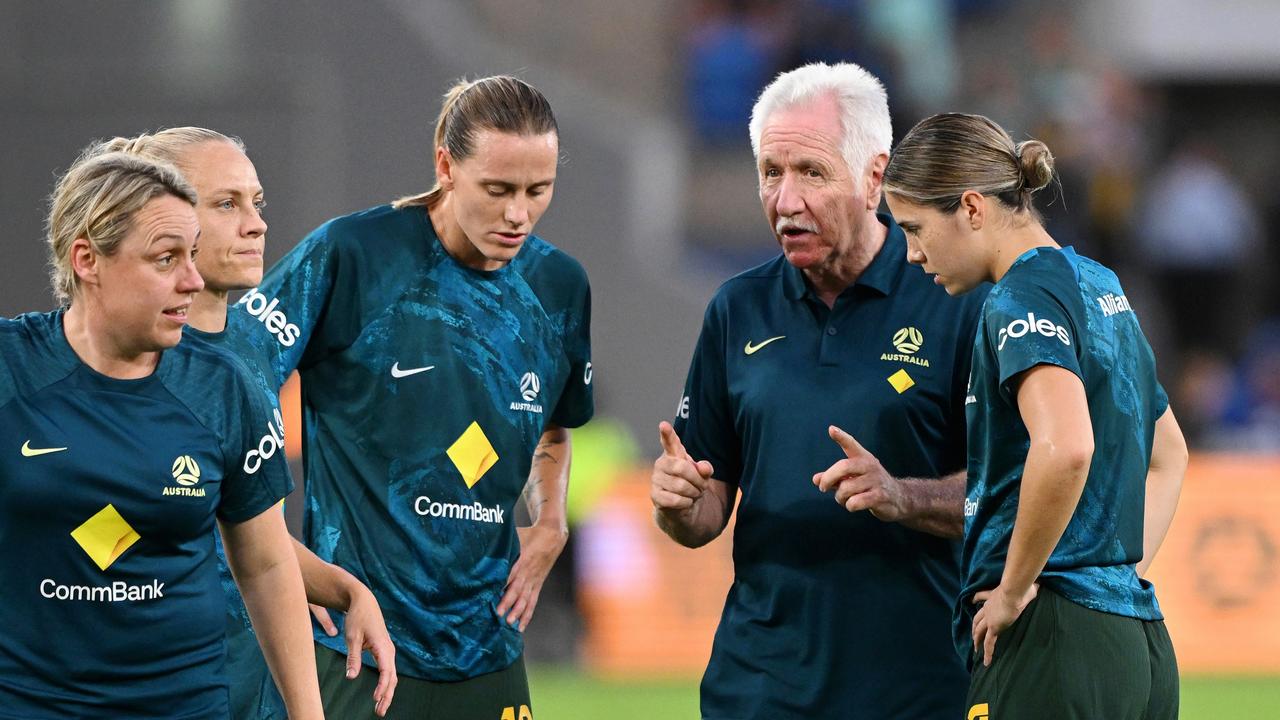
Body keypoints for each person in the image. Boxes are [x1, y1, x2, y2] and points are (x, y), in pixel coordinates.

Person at [227, 75, 592, 719]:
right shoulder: (352, 255)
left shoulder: (559, 287)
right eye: (499, 190)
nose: (519, 215)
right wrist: (284, 558)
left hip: (490, 650)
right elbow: (229, 375)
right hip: (354, 649)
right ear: (446, 166)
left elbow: (554, 426)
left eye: (539, 191)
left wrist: (552, 521)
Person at [651, 61, 985, 719]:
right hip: (758, 687)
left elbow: (1007, 492)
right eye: (770, 173)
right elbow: (707, 507)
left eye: (811, 173)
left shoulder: (954, 298)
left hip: (916, 689)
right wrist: (678, 502)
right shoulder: (735, 309)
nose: (785, 200)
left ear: (874, 176)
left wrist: (903, 495)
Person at [882, 112, 1186, 719]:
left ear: (971, 208)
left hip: (1054, 642)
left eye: (915, 229)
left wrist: (1017, 589)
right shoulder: (1101, 285)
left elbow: (1067, 445)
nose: (912, 254)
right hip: (1134, 638)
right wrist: (1110, 576)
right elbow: (1168, 455)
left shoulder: (1019, 297)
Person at [0, 150, 323, 718]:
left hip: (183, 705)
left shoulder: (222, 385)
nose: (192, 280)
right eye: (166, 258)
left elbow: (267, 566)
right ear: (87, 260)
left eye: (193, 256)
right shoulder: (10, 371)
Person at [103, 127, 398, 718]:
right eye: (226, 204)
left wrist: (344, 589)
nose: (256, 224)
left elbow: (244, 530)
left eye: (256, 203)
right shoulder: (122, 361)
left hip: (249, 689)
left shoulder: (249, 354)